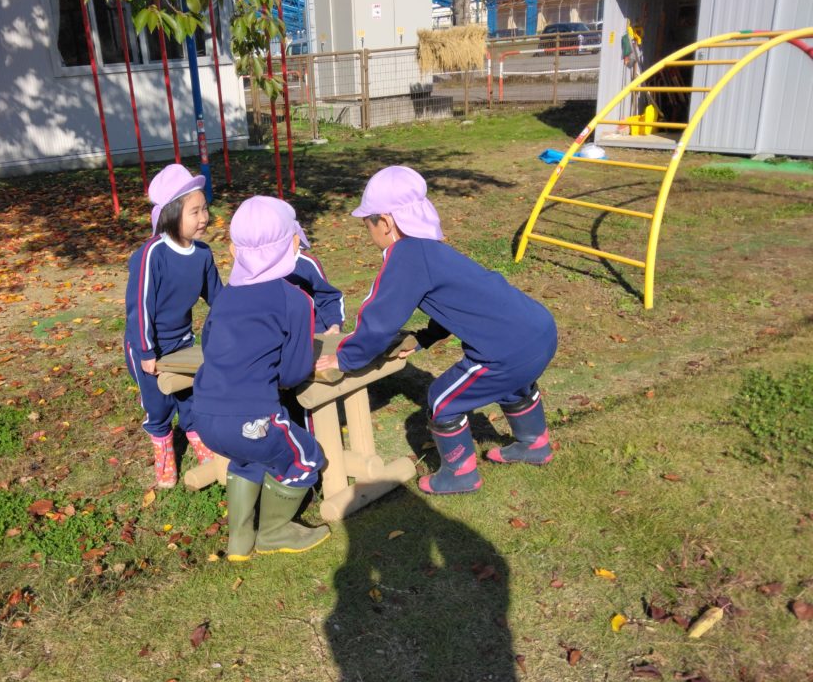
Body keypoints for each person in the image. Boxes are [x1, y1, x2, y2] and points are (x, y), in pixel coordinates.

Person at [316, 166, 557, 495]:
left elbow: (380, 319)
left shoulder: (405, 256)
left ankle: (460, 475)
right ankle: (534, 444)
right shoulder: (433, 249)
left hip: (505, 350)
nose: (368, 232)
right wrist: (423, 339)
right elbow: (460, 302)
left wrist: (344, 359)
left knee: (442, 401)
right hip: (539, 330)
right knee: (515, 384)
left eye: (366, 224)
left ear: (385, 222)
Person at [192, 196, 330, 561]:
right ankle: (272, 531)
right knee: (306, 457)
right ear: (294, 244)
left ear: (234, 251)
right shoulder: (294, 300)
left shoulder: (224, 298)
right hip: (254, 415)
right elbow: (294, 372)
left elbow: (208, 345)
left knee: (247, 458)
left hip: (203, 414)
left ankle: (239, 541)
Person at [124, 164, 222, 490]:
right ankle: (164, 450)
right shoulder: (151, 254)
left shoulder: (203, 254)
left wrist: (237, 321)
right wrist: (146, 351)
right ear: (171, 213)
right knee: (158, 404)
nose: (204, 217)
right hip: (149, 345)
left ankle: (199, 440)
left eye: (205, 208)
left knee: (191, 395)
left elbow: (218, 298)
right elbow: (139, 307)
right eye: (195, 211)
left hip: (182, 342)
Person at [284, 215, 345, 335]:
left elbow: (328, 296)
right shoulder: (257, 268)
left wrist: (334, 322)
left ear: (295, 240)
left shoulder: (305, 264)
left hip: (311, 333)